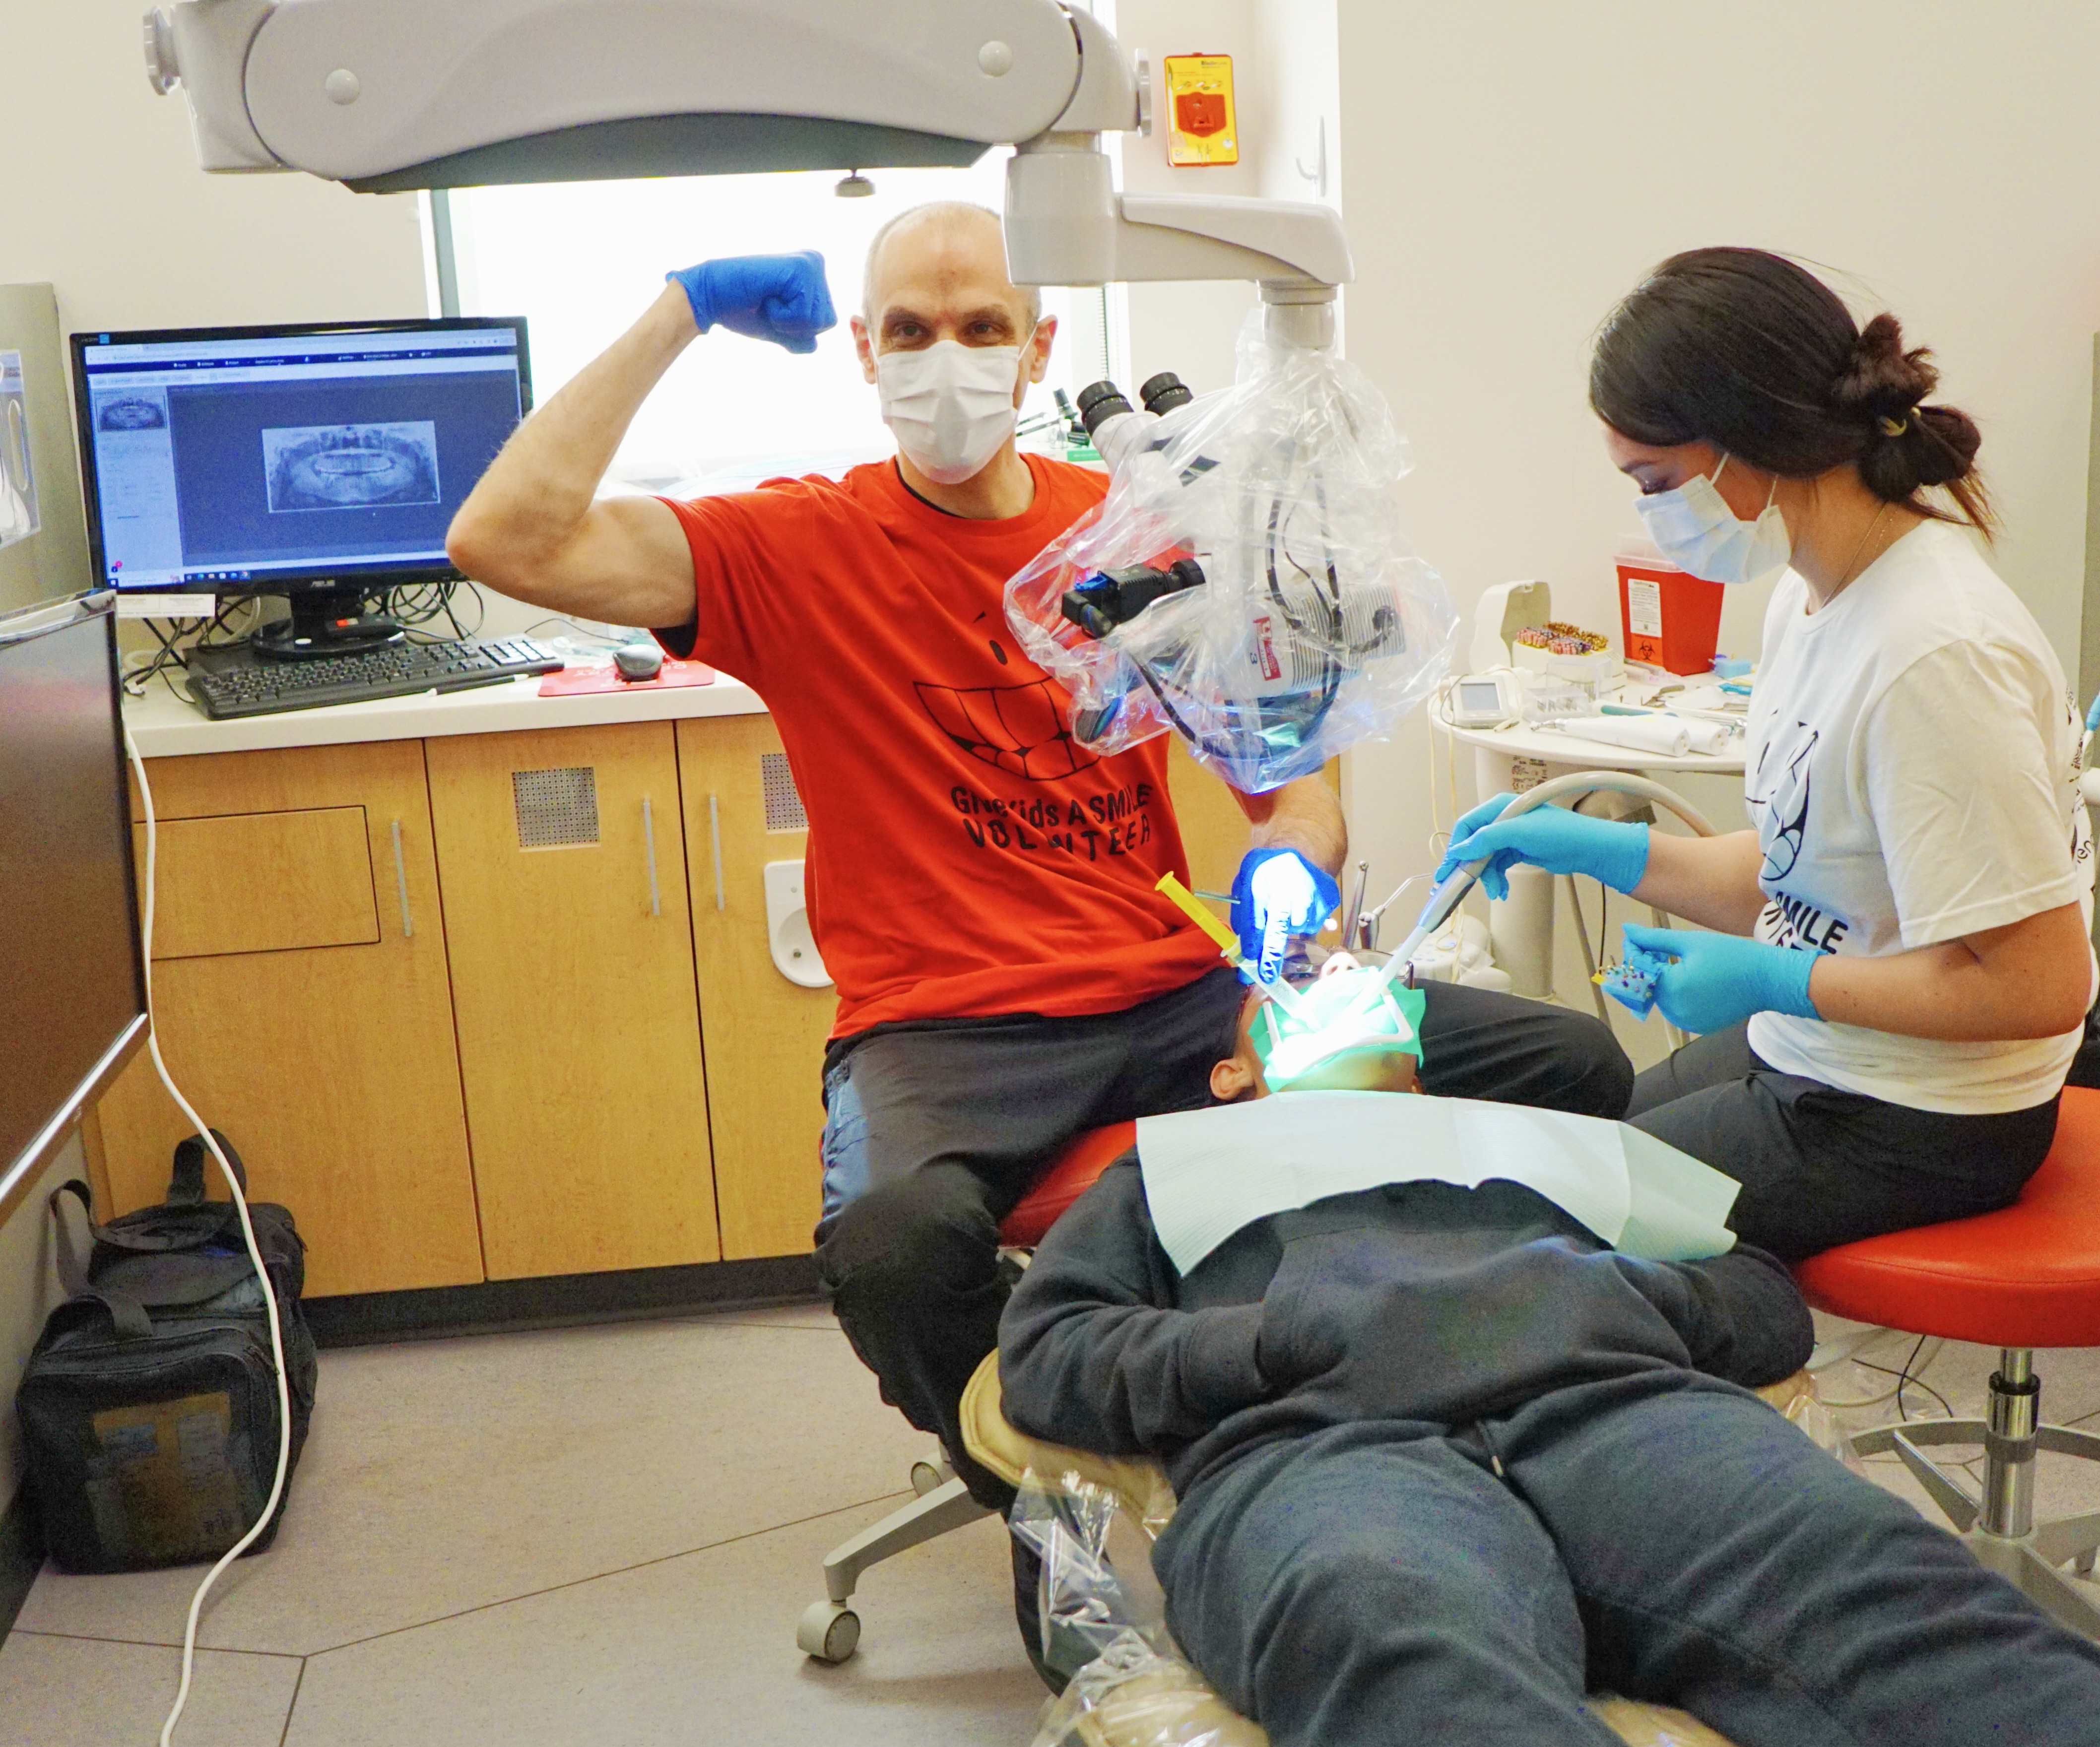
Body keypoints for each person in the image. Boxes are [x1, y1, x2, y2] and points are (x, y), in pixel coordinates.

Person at [443, 201, 1628, 1663]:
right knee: (889, 1246)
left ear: (1040, 346)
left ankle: (1496, 1428)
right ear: (864, 361)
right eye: (910, 333)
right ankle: (1040, 1492)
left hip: (1187, 998)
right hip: (943, 1030)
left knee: (1563, 1066)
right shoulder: (789, 548)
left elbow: (1294, 794)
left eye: (982, 327)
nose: (949, 362)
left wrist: (1286, 916)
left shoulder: (1133, 534)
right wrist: (681, 309)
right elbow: (501, 538)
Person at [996, 989, 2100, 1747]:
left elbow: (1760, 1297)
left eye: (1369, 979)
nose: (1340, 979)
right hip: (1327, 1451)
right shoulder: (1174, 1168)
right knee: (1388, 1630)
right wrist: (1267, 1342)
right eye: (1298, 991)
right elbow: (1048, 1353)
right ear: (1235, 1074)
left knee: (1883, 1582)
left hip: (1622, 1413)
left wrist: (1612, 1301)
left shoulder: (1537, 1143)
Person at [1440, 248, 2096, 1264]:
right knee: (1574, 1130)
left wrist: (1769, 980)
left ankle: (1755, 1388)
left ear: (1751, 443)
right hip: (1822, 1057)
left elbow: (2037, 988)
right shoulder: (1812, 595)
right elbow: (1813, 866)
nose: (1650, 514)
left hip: (1920, 1117)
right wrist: (1597, 849)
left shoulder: (1933, 652)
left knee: (1533, 1233)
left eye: (1655, 482)